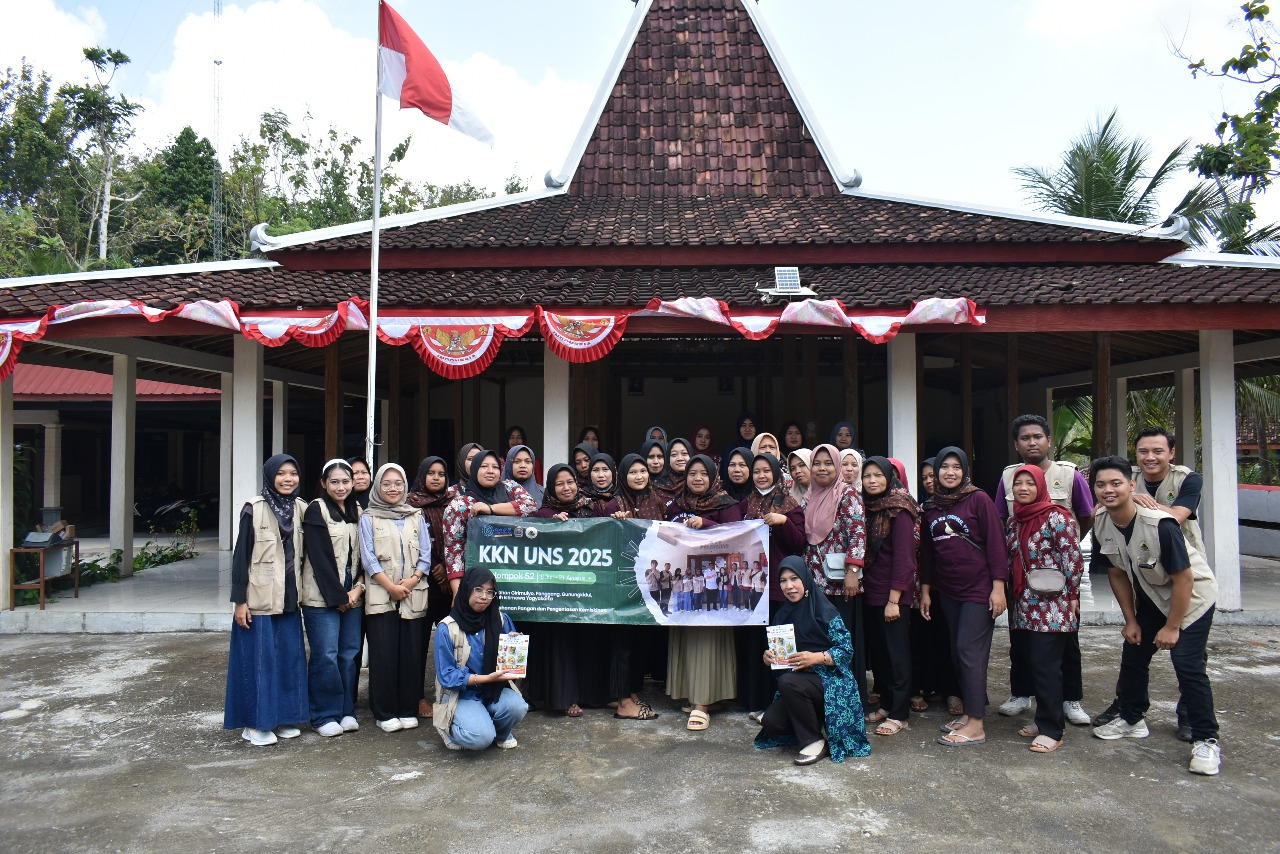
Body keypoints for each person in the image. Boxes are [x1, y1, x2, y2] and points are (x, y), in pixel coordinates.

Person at [1088, 456, 1221, 776]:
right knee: (1133, 654)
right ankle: (1132, 719)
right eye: (1101, 485)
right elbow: (1117, 573)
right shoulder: (1101, 522)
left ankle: (1207, 739)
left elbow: (1185, 579)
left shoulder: (1160, 523)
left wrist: (1173, 626)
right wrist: (1131, 620)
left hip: (1191, 600)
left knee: (1187, 665)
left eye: (1116, 483)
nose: (1108, 490)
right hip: (1151, 598)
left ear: (1132, 486)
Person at [1095, 427, 1205, 739]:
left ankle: (1190, 718)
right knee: (1135, 646)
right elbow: (1107, 521)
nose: (1150, 457)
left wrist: (1138, 503)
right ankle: (1127, 710)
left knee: (1188, 658)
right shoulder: (1127, 478)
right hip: (1145, 573)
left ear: (1172, 453)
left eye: (1158, 451)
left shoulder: (1187, 479)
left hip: (1184, 571)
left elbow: (1177, 517)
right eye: (1143, 451)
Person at [993, 414, 1094, 725]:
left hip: (1057, 581)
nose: (1032, 442)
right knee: (1021, 639)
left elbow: (1086, 515)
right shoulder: (1009, 477)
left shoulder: (1069, 474)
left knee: (1065, 642)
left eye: (1038, 436)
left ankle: (1069, 699)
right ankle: (1021, 693)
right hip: (1021, 579)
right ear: (1016, 444)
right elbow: (1001, 520)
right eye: (1025, 438)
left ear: (1049, 440)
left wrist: (1062, 547)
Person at [919, 446, 1008, 747]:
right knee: (959, 653)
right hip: (949, 591)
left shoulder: (978, 499)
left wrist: (998, 587)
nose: (950, 472)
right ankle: (970, 715)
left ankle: (977, 725)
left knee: (969, 652)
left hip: (979, 590)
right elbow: (929, 556)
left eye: (957, 467)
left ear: (965, 470)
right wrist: (926, 590)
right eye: (945, 467)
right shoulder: (931, 507)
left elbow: (996, 545)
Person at [224, 454, 309, 746]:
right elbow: (241, 557)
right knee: (260, 664)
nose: (288, 479)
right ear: (270, 476)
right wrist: (239, 601)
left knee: (288, 661)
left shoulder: (301, 508)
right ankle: (256, 725)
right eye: (282, 474)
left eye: (293, 473)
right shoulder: (254, 508)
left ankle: (282, 718)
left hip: (289, 598)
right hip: (258, 599)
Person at [754, 557, 871, 765]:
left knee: (788, 682)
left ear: (806, 580)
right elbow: (783, 666)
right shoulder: (782, 615)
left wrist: (816, 658)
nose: (789, 586)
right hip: (800, 685)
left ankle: (815, 741)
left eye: (794, 579)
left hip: (832, 683)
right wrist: (770, 659)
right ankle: (814, 721)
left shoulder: (825, 611)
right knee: (772, 723)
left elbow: (846, 651)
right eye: (783, 581)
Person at [1005, 464, 1084, 753]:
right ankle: (1043, 718)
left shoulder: (1057, 518)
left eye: (1030, 483)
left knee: (1047, 667)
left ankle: (1053, 728)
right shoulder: (1015, 522)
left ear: (1041, 486)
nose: (1023, 488)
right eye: (1018, 483)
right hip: (1025, 605)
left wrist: (1073, 593)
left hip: (1053, 606)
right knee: (1032, 663)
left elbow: (1072, 558)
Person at [666, 455, 742, 731]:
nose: (697, 478)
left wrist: (706, 525)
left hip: (712, 588)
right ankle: (694, 693)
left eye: (703, 474)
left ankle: (702, 704)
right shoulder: (676, 504)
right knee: (687, 638)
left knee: (707, 641)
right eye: (692, 474)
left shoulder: (726, 505)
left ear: (713, 477)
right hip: (685, 584)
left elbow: (737, 536)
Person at [528, 464, 611, 717]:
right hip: (556, 597)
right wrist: (550, 528)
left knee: (587, 642)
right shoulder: (542, 515)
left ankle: (590, 696)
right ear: (551, 488)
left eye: (571, 482)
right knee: (560, 644)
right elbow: (529, 542)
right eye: (560, 484)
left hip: (588, 592)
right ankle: (564, 699)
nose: (567, 488)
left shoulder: (591, 509)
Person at [360, 463, 433, 733]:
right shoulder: (368, 517)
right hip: (382, 594)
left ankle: (406, 708)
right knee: (384, 655)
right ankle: (385, 711)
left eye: (398, 483)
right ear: (378, 486)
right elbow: (368, 558)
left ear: (406, 486)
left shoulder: (415, 515)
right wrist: (390, 586)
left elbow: (426, 553)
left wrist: (413, 579)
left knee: (411, 654)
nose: (393, 489)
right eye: (387, 483)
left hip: (413, 593)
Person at [300, 459, 365, 737]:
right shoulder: (317, 509)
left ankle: (345, 710)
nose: (341, 486)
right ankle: (323, 714)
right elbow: (320, 559)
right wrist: (339, 597)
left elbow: (364, 557)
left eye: (346, 481)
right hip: (322, 598)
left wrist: (357, 589)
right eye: (334, 481)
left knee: (348, 655)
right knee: (325, 655)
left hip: (354, 596)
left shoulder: (358, 510)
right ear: (324, 483)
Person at [799, 444, 868, 703]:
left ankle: (850, 698)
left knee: (844, 642)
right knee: (823, 642)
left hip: (841, 583)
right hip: (816, 583)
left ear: (837, 466)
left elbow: (858, 533)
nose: (822, 468)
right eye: (817, 463)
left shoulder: (847, 493)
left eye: (828, 463)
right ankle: (827, 697)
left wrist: (853, 571)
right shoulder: (810, 495)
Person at [432, 567, 529, 751]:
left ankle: (499, 732)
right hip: (461, 694)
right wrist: (485, 678)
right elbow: (447, 676)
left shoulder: (500, 619)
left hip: (492, 690)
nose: (484, 596)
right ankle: (449, 728)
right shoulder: (447, 628)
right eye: (478, 589)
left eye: (489, 591)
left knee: (518, 707)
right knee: (480, 739)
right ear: (466, 589)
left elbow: (511, 664)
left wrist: (514, 647)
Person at [738, 451, 805, 712]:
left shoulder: (789, 505)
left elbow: (799, 543)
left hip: (778, 588)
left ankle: (778, 703)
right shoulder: (746, 504)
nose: (761, 475)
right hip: (750, 588)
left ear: (777, 473)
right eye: (757, 471)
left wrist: (784, 522)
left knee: (778, 646)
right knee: (753, 645)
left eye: (767, 470)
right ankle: (753, 700)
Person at [860, 456, 919, 736]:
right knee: (881, 654)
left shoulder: (900, 510)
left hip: (892, 595)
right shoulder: (868, 508)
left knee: (896, 654)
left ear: (889, 478)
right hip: (870, 592)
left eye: (877, 475)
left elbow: (906, 559)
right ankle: (886, 703)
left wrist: (894, 599)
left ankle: (899, 713)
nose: (871, 480)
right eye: (867, 475)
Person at [443, 450, 538, 595]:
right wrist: (458, 593)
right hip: (476, 582)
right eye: (484, 466)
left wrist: (491, 509)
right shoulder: (460, 504)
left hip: (513, 576)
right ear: (474, 470)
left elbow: (530, 506)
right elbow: (453, 551)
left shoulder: (509, 487)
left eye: (495, 467)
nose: (490, 471)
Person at [406, 456, 456, 716]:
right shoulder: (410, 505)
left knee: (451, 643)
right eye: (431, 473)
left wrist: (448, 570)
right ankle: (417, 697)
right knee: (419, 644)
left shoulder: (454, 504)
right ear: (422, 476)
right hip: (422, 583)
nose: (436, 478)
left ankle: (450, 692)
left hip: (451, 585)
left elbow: (460, 536)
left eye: (441, 473)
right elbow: (412, 542)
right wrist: (435, 567)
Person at [911, 456, 960, 716]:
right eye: (925, 478)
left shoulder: (964, 504)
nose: (930, 481)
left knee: (950, 638)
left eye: (933, 475)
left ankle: (953, 690)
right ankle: (927, 687)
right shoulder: (923, 509)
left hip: (953, 583)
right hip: (925, 584)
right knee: (924, 637)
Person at [654, 437, 693, 503]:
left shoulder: (698, 483)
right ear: (668, 458)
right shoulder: (657, 486)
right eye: (674, 454)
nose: (680, 458)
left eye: (684, 454)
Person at [583, 452, 619, 516]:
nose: (601, 475)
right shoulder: (581, 498)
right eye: (595, 470)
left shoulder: (622, 498)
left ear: (613, 472)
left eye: (605, 469)